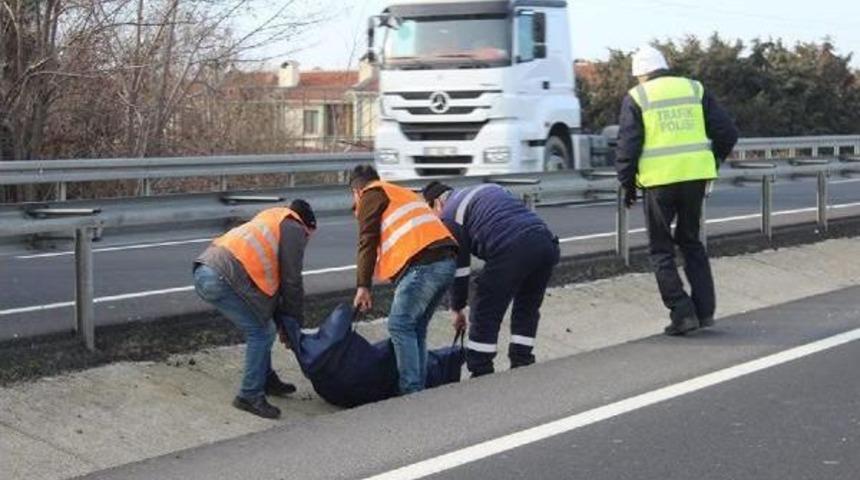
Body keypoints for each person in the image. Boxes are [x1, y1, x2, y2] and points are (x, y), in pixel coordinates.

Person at [615, 45, 738, 336]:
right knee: (690, 240)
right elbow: (727, 133)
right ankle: (704, 311)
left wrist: (627, 184)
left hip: (659, 181)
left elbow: (628, 147)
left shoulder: (638, 96)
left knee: (661, 248)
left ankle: (682, 311)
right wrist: (712, 160)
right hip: (695, 178)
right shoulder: (694, 89)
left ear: (640, 74)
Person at [193, 199, 317, 419]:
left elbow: (269, 293)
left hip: (207, 269)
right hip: (222, 277)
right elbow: (291, 281)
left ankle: (266, 378)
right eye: (309, 237)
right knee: (261, 332)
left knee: (263, 323)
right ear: (307, 226)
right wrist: (294, 324)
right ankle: (249, 395)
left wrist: (283, 322)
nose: (306, 243)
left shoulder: (272, 218)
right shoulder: (295, 228)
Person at [422, 182, 560, 377]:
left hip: (512, 247)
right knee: (527, 307)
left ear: (436, 203)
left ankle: (481, 370)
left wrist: (457, 308)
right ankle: (523, 361)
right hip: (545, 242)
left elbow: (461, 269)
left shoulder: (449, 216)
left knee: (485, 307)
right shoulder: (487, 189)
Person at [350, 165, 457, 395]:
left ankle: (411, 391)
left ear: (356, 191)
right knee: (415, 327)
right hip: (445, 262)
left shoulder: (370, 194)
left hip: (423, 265)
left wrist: (363, 286)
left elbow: (367, 240)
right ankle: (418, 389)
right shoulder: (399, 193)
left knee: (399, 325)